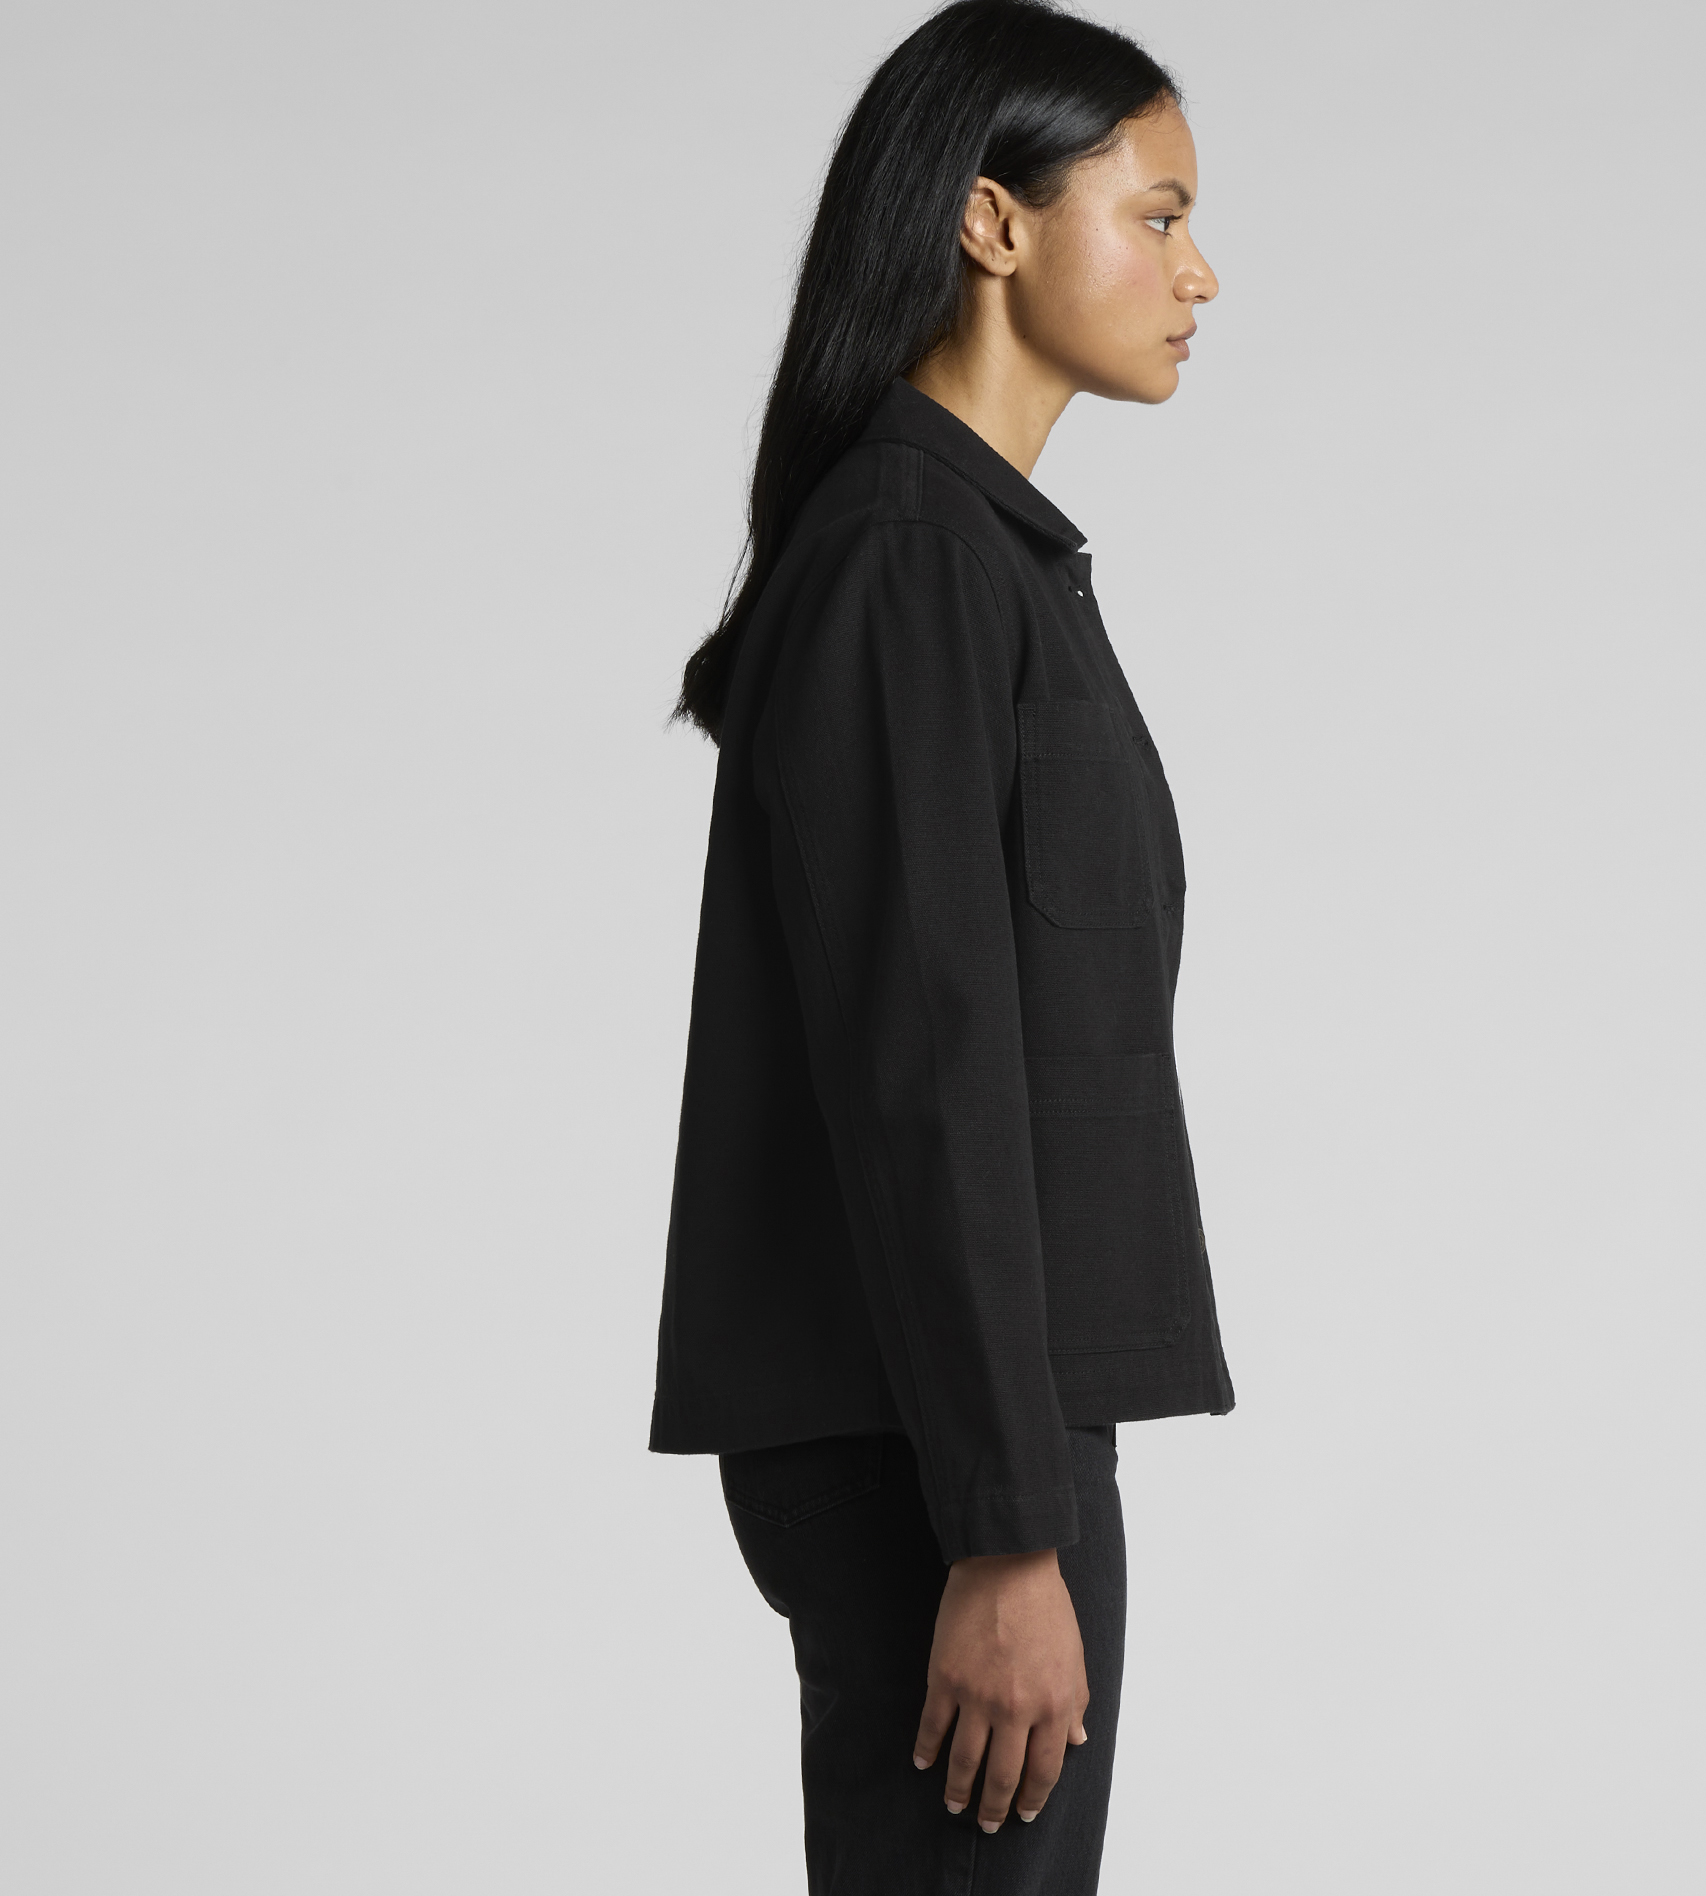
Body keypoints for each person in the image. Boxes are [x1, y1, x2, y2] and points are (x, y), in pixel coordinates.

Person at [651, 3, 1233, 1888]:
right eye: (1157, 217)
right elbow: (927, 1068)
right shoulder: (912, 559)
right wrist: (1000, 1525)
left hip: (975, 1432)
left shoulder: (974, 560)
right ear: (993, 222)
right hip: (943, 1449)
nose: (1199, 274)